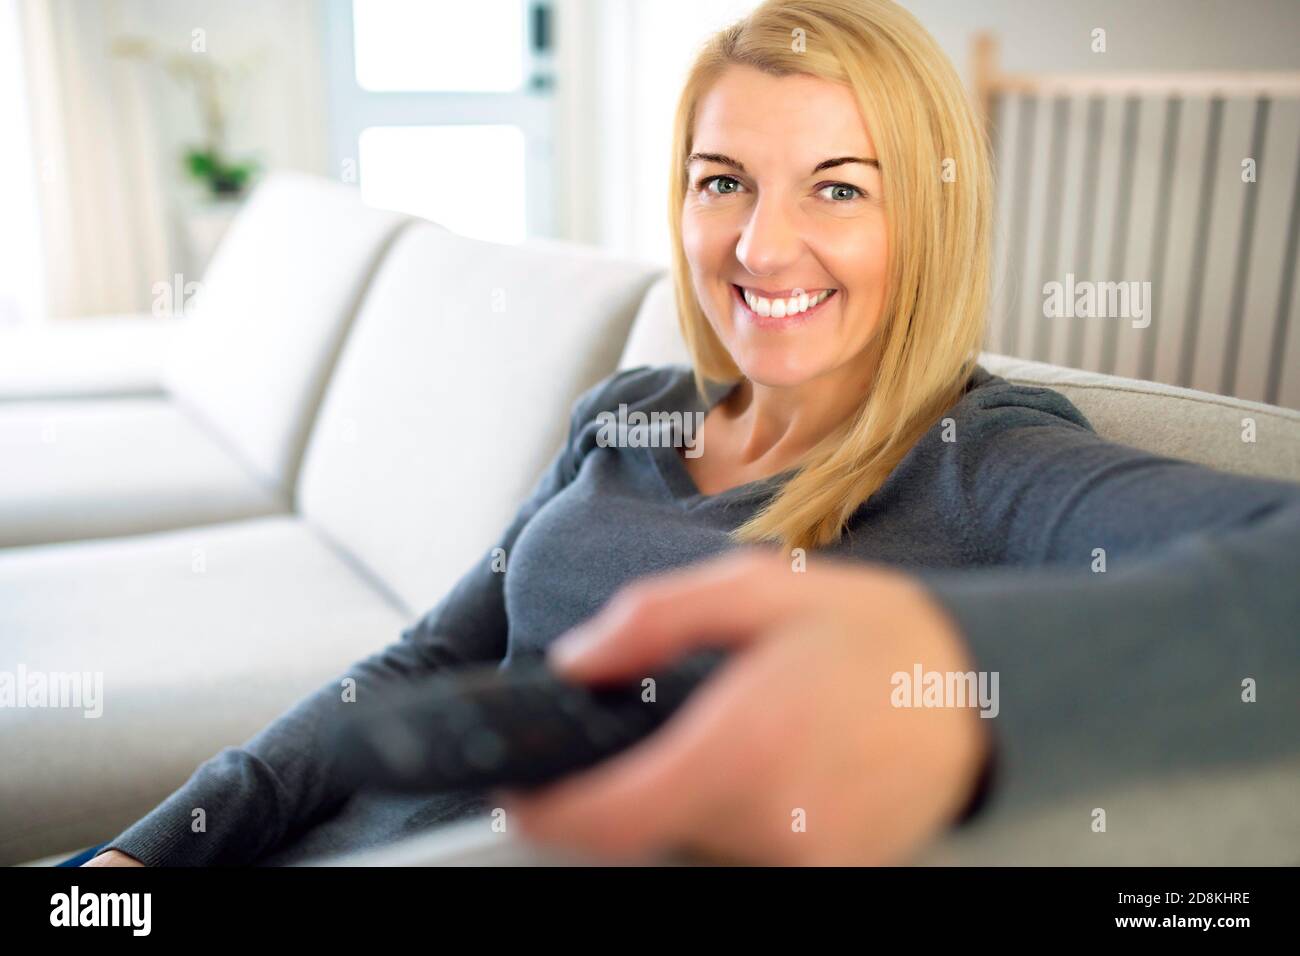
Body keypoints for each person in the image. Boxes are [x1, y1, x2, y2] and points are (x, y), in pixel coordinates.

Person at [81, 0, 1299, 868]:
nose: (762, 248)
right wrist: (149, 855)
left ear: (928, 219)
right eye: (723, 180)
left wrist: (960, 678)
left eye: (839, 185)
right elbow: (417, 665)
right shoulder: (630, 410)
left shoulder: (984, 463)